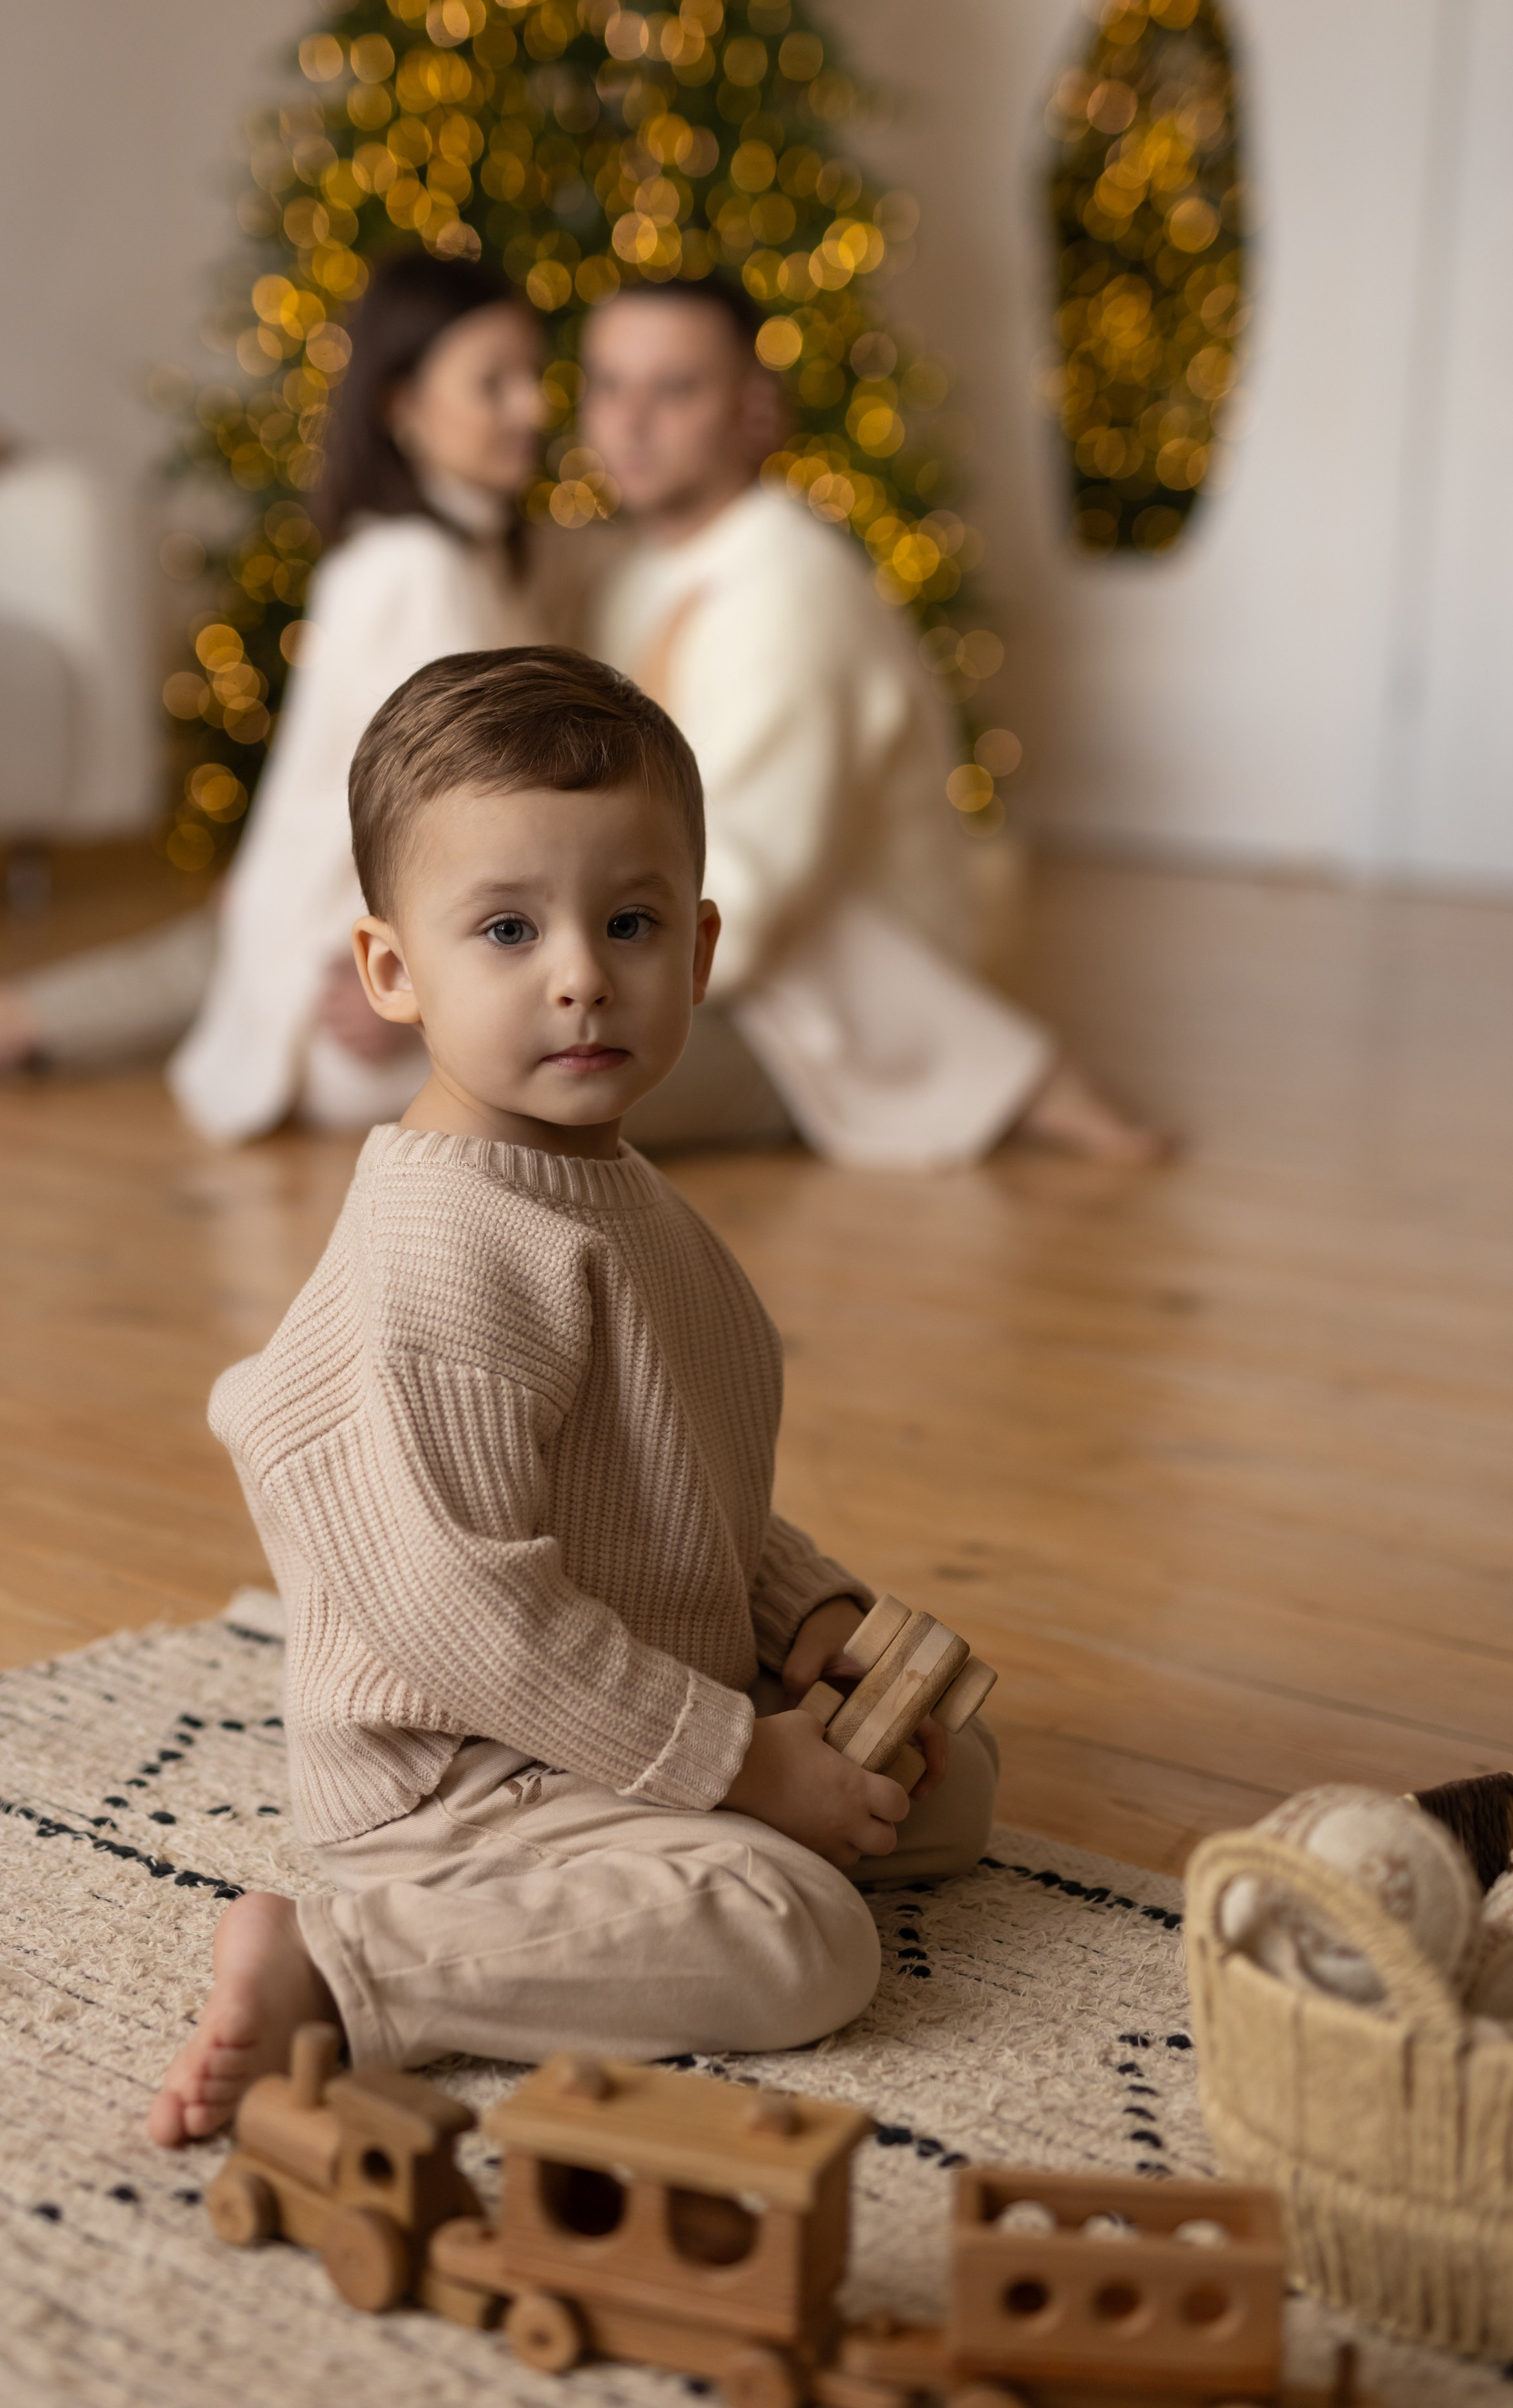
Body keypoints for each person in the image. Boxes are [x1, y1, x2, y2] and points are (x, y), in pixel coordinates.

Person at [148, 646, 998, 2140]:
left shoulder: (623, 1200)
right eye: (504, 928)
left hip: (616, 1687)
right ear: (391, 971)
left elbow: (670, 1482)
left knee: (950, 1783)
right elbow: (467, 1618)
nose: (580, 973)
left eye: (628, 922)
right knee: (801, 1934)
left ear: (702, 946)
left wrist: (801, 1618)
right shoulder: (445, 1248)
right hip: (464, 1769)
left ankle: (699, 1819)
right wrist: (740, 1765)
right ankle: (340, 1968)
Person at [0, 254, 551, 1138]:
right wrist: (413, 975)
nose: (534, 410)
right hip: (369, 1005)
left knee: (215, 958)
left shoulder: (450, 558)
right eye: (494, 385)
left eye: (534, 378)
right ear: (400, 403)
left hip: (361, 960)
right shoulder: (416, 569)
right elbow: (431, 803)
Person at [580, 277, 1163, 1166]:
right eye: (608, 385)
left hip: (827, 1007)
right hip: (725, 956)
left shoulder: (786, 588)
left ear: (753, 411)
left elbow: (751, 891)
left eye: (676, 389)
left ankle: (1008, 1078)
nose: (630, 422)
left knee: (491, 1081)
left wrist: (555, 974)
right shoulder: (640, 576)